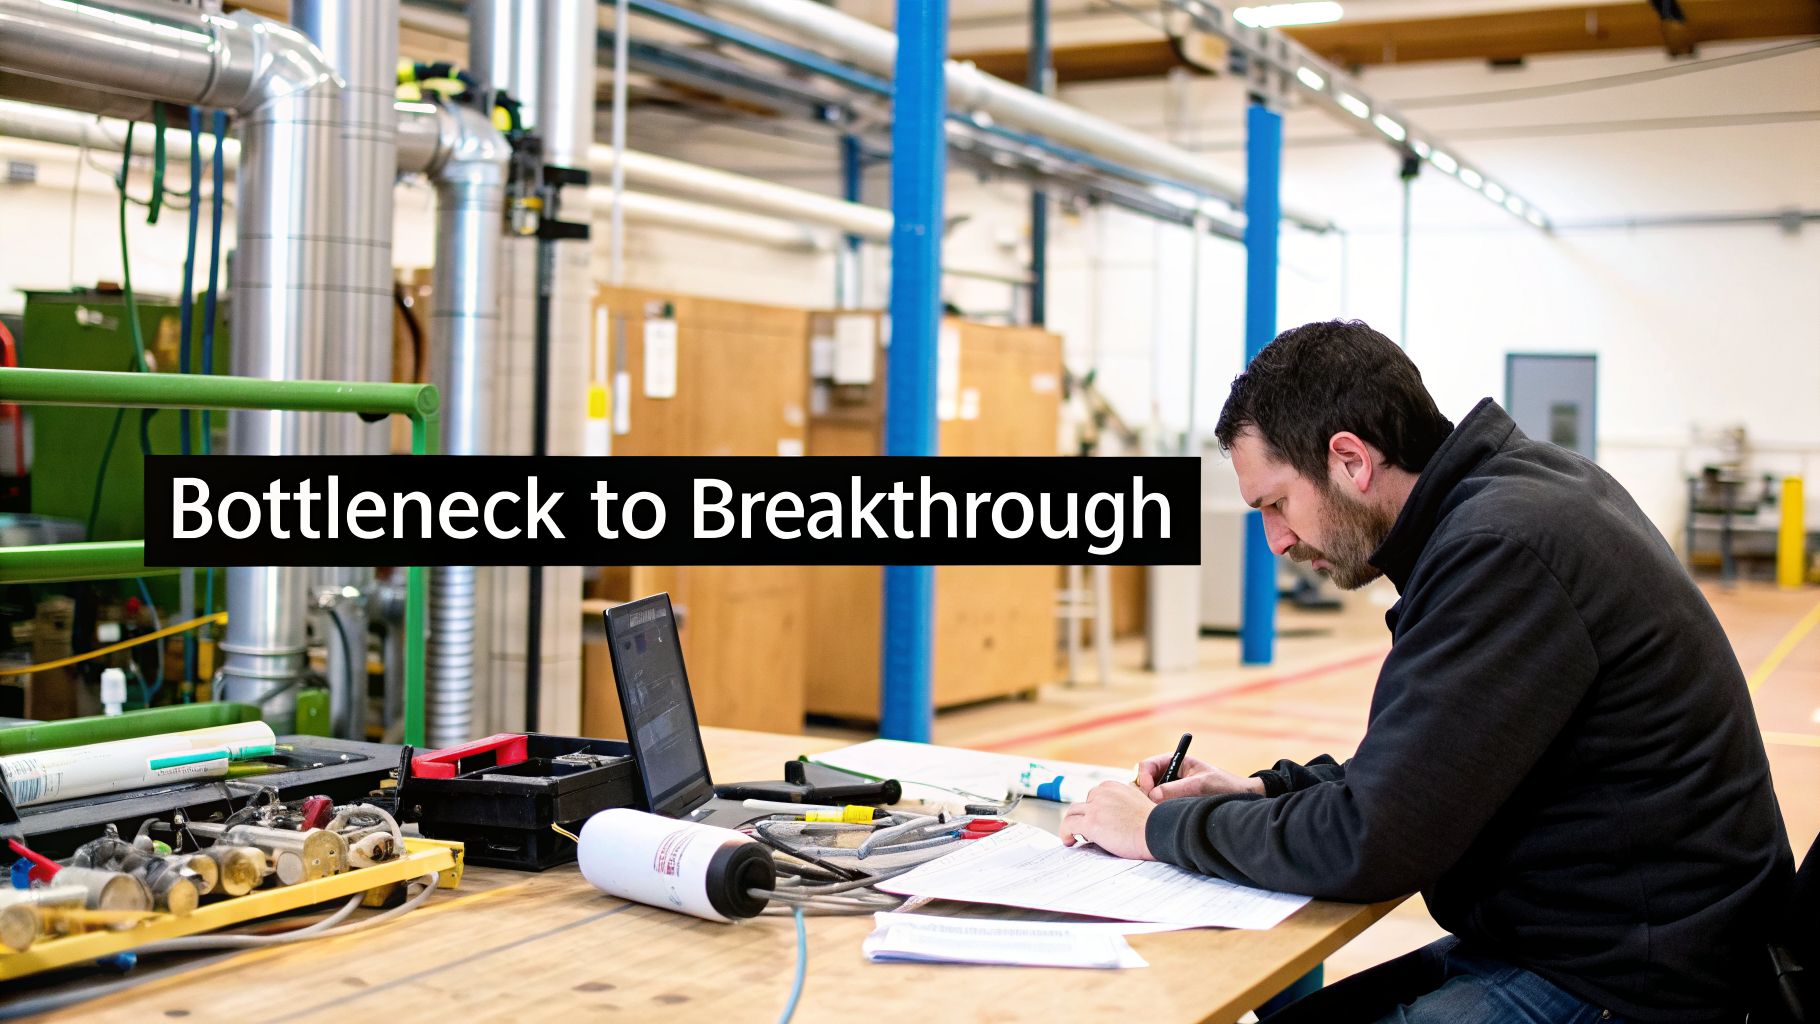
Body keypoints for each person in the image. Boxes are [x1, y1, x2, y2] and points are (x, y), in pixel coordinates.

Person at [1061, 321, 1793, 1023]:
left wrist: (1158, 828)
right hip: (1589, 940)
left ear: (1350, 459)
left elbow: (1371, 843)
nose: (1276, 540)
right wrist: (1258, 792)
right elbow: (1428, 769)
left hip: (1631, 980)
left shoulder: (1504, 549)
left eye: (1277, 503)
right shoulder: (1521, 496)